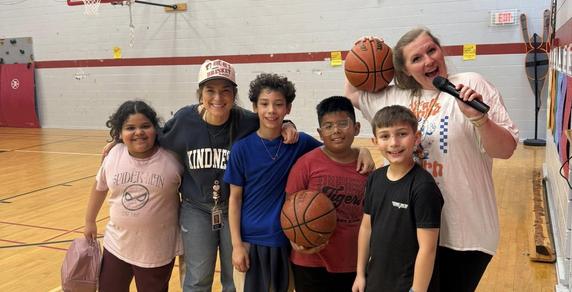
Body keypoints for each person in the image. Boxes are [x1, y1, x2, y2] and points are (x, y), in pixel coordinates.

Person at [345, 27, 519, 291]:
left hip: (463, 234)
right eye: (416, 58)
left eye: (431, 50)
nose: (428, 60)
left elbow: (505, 149)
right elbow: (352, 93)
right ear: (404, 70)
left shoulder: (470, 84)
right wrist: (361, 49)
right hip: (408, 231)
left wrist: (479, 118)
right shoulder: (395, 96)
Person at [159, 59, 300, 292]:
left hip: (234, 209)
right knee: (197, 278)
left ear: (234, 95)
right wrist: (117, 140)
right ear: (200, 94)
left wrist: (288, 124)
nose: (218, 98)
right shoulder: (185, 120)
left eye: (225, 91)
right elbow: (153, 137)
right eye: (210, 91)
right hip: (195, 209)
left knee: (234, 277)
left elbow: (272, 119)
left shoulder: (245, 120)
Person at [224, 73, 323, 292]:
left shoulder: (300, 142)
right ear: (254, 107)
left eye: (278, 104)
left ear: (288, 108)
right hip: (250, 242)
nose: (271, 110)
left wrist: (359, 150)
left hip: (285, 240)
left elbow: (333, 153)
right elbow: (235, 199)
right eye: (264, 104)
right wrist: (237, 245)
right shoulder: (241, 149)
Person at [84, 100, 183, 292]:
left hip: (157, 250)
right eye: (130, 128)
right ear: (120, 133)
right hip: (116, 245)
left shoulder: (173, 160)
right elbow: (99, 187)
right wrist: (89, 221)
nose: (138, 132)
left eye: (145, 126)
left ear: (156, 129)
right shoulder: (114, 155)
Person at [353, 105, 443, 292]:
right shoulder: (375, 178)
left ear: (416, 138)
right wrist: (360, 274)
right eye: (385, 136)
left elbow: (428, 249)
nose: (394, 143)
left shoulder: (423, 187)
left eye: (402, 134)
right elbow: (366, 227)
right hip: (376, 280)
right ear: (375, 141)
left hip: (407, 285)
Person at [284, 96, 367, 292]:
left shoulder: (366, 168)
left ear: (356, 128)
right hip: (309, 263)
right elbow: (289, 209)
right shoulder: (306, 164)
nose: (336, 131)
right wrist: (295, 240)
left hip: (353, 262)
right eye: (328, 126)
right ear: (320, 133)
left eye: (343, 124)